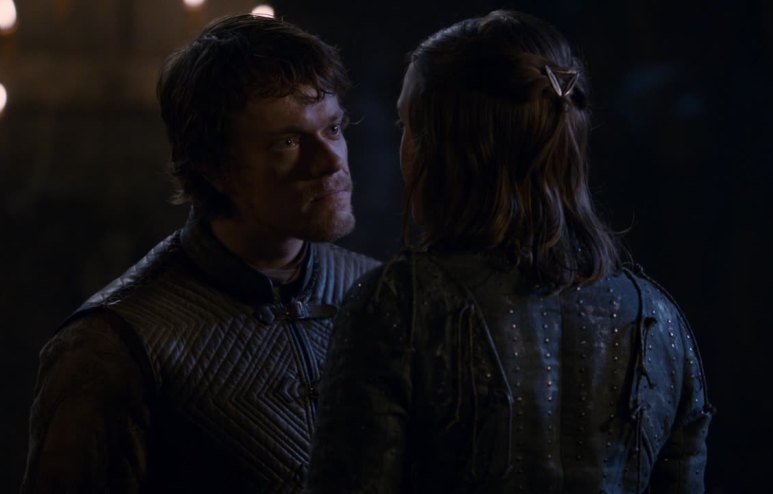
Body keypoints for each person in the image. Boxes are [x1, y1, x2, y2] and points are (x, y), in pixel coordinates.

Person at [307, 9, 714, 493]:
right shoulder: (659, 320)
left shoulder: (399, 305)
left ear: (449, 146)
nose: (404, 149)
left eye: (407, 124)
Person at [21, 13, 378, 493]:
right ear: (216, 168)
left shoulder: (377, 295)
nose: (330, 162)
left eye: (333, 128)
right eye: (288, 142)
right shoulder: (113, 345)